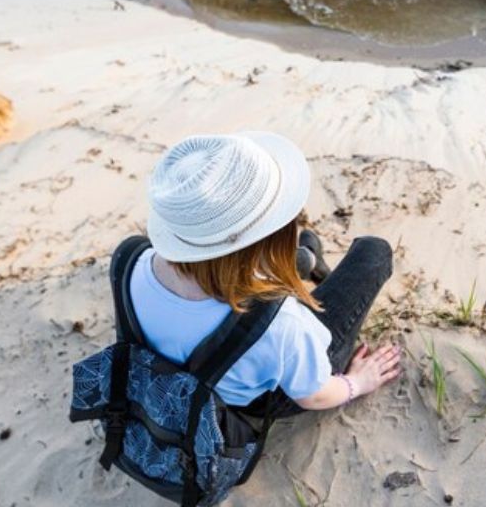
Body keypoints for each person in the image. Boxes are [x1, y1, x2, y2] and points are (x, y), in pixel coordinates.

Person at [135, 131, 401, 418]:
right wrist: (357, 383)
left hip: (200, 372)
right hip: (259, 400)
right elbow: (313, 396)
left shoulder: (131, 262)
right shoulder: (281, 323)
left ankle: (305, 259)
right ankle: (306, 260)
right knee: (374, 252)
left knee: (282, 263)